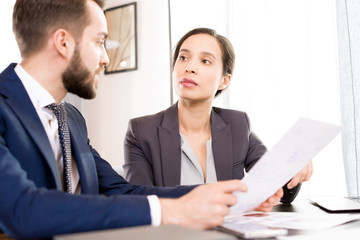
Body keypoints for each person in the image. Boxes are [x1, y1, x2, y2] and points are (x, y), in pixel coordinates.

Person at [0, 1, 284, 239]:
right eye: (100, 42)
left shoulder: (70, 117)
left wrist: (216, 194)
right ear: (63, 42)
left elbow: (124, 191)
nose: (105, 59)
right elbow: (22, 209)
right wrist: (172, 211)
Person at [123, 28, 313, 200]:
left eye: (205, 61)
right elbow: (140, 202)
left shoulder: (238, 125)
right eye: (183, 58)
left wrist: (292, 165)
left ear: (224, 81)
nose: (189, 67)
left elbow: (277, 188)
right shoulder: (141, 132)